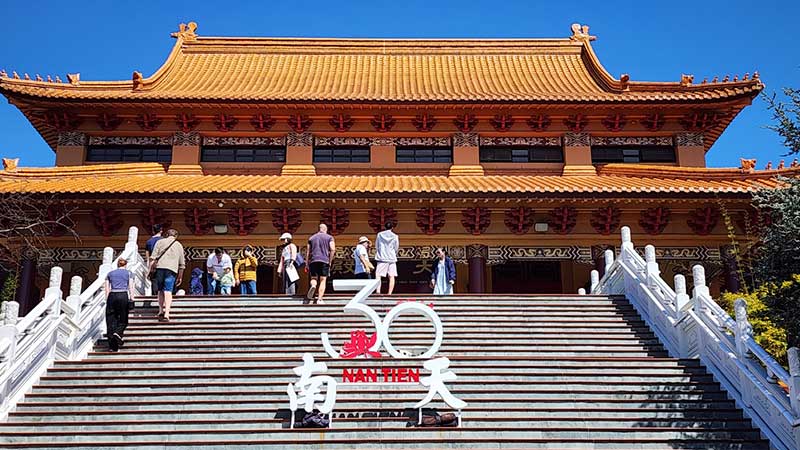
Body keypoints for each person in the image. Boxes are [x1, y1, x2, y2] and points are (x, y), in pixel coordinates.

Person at [150, 228, 185, 322]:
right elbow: (182, 264)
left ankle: (161, 310)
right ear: (176, 236)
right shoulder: (179, 245)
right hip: (172, 269)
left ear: (166, 235)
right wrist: (180, 276)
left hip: (159, 268)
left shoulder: (160, 242)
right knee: (168, 291)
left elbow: (152, 258)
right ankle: (167, 313)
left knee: (160, 290)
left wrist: (150, 270)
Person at [104, 258, 135, 352]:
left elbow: (106, 288)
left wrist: (107, 299)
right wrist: (132, 298)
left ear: (117, 265)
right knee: (123, 320)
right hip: (123, 295)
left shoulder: (110, 273)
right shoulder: (129, 273)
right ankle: (118, 332)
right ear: (125, 265)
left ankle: (112, 347)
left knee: (110, 321)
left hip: (112, 296)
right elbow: (131, 286)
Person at [306, 223, 335, 304]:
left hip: (313, 260)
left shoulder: (311, 238)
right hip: (324, 260)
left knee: (313, 278)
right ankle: (319, 299)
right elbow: (333, 249)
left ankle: (313, 285)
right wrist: (330, 261)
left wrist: (307, 263)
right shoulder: (329, 237)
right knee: (323, 280)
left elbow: (308, 252)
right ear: (326, 230)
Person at [375, 222, 399, 295]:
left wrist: (379, 252)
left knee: (378, 275)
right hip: (392, 258)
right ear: (392, 228)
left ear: (384, 227)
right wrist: (393, 253)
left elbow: (377, 245)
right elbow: (396, 247)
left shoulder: (380, 234)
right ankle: (389, 293)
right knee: (391, 276)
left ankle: (378, 291)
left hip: (382, 258)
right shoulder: (395, 236)